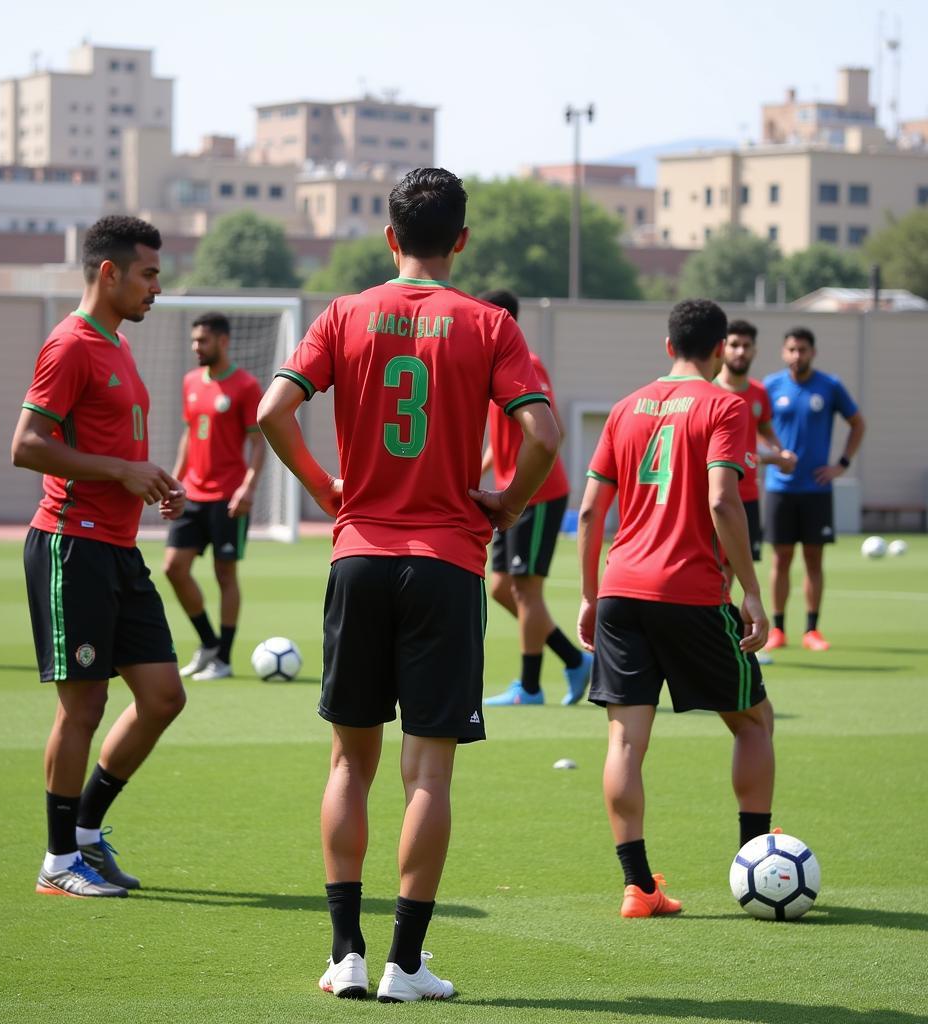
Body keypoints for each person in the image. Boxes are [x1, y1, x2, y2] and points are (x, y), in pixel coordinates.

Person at [258, 168, 559, 1001]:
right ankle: (405, 967)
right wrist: (504, 503)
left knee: (348, 765)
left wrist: (325, 490)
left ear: (390, 236)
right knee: (427, 774)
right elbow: (544, 430)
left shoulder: (345, 314)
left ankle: (344, 956)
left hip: (358, 557)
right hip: (446, 564)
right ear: (460, 240)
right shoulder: (489, 324)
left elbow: (272, 413)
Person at [578, 298, 774, 919]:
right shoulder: (726, 405)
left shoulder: (625, 408)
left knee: (625, 743)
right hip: (689, 592)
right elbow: (723, 501)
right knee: (753, 722)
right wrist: (752, 589)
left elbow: (588, 513)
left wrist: (589, 595)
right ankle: (758, 870)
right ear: (721, 351)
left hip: (620, 591)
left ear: (668, 347)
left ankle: (637, 888)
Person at [11, 215, 187, 899]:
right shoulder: (70, 345)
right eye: (148, 275)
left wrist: (149, 477)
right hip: (70, 544)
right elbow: (26, 445)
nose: (157, 289)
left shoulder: (115, 344)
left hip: (116, 548)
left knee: (163, 696)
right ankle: (58, 863)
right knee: (82, 707)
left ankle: (86, 831)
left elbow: (112, 448)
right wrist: (119, 471)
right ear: (108, 273)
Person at [477, 289, 592, 707]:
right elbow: (504, 439)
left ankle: (529, 687)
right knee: (502, 589)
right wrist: (480, 472)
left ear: (502, 320)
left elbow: (550, 431)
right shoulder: (490, 364)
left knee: (526, 591)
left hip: (537, 496)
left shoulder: (527, 363)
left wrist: (517, 484)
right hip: (509, 493)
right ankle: (574, 661)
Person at [163, 312, 265, 680]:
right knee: (173, 568)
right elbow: (189, 434)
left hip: (228, 497)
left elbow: (258, 442)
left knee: (225, 574)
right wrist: (175, 480)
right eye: (193, 341)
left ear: (223, 341)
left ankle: (223, 658)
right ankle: (208, 642)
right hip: (192, 494)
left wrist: (248, 487)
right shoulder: (190, 381)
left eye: (202, 341)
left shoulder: (246, 386)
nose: (196, 348)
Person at [763, 327, 866, 652]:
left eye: (803, 350)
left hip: (817, 489)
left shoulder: (830, 386)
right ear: (784, 352)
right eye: (792, 349)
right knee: (780, 559)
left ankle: (812, 630)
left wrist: (842, 465)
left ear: (813, 353)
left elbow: (858, 424)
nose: (797, 355)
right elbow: (756, 426)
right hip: (780, 487)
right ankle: (777, 629)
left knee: (813, 558)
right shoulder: (770, 387)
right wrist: (774, 456)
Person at [713, 320, 796, 663]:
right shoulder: (710, 390)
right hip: (715, 496)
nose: (740, 351)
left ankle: (739, 641)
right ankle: (714, 639)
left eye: (746, 345)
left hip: (748, 497)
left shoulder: (759, 394)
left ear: (755, 350)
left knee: (737, 572)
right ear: (723, 347)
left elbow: (765, 433)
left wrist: (781, 453)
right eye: (734, 344)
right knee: (713, 573)